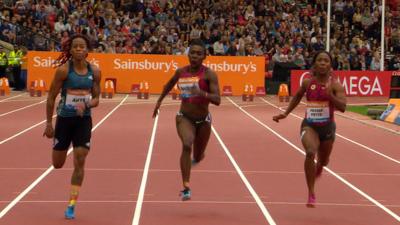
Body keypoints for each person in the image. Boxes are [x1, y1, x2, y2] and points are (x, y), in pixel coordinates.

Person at [272, 51, 346, 208]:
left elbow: (343, 107)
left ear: (330, 65)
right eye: (319, 60)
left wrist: (330, 96)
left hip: (327, 128)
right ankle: (311, 192)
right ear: (314, 64)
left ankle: (320, 166)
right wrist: (285, 113)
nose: (323, 63)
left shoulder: (335, 85)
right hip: (309, 125)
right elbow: (297, 97)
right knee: (311, 152)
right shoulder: (307, 83)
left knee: (324, 161)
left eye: (326, 61)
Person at [153, 39, 221, 201]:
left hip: (204, 120)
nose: (195, 56)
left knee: (197, 156)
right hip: (185, 117)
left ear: (205, 56)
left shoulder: (209, 74)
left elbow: (217, 100)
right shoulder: (181, 72)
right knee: (186, 144)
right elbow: (169, 84)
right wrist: (159, 101)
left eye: (199, 53)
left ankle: (198, 157)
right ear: (188, 54)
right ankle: (186, 187)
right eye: (192, 53)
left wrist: (201, 93)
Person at [43, 34, 101, 219]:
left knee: (80, 158)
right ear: (70, 50)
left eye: (81, 46)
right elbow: (51, 97)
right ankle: (59, 146)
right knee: (57, 164)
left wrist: (87, 105)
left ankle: (72, 204)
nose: (78, 49)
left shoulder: (95, 71)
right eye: (75, 46)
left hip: (83, 120)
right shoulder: (63, 71)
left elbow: (97, 98)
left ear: (87, 50)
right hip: (64, 120)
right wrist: (48, 123)